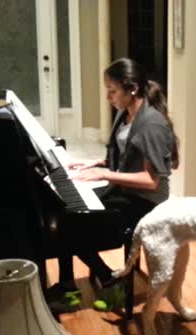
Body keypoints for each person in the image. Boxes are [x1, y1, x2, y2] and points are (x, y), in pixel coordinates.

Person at [46, 58, 179, 312]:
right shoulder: (126, 114)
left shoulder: (151, 124)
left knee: (72, 224)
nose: (108, 97)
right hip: (125, 188)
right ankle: (68, 285)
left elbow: (151, 181)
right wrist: (93, 163)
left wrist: (104, 175)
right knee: (64, 208)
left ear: (132, 89)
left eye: (112, 90)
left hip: (145, 201)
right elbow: (125, 154)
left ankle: (107, 279)